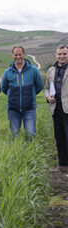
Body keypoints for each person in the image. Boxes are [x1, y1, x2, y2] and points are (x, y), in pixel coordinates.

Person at [1, 45, 44, 140]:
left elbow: (40, 85)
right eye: (15, 54)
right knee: (15, 136)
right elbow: (3, 88)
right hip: (13, 109)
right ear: (12, 55)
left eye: (20, 54)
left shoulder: (33, 70)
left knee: (30, 134)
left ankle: (30, 154)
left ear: (24, 54)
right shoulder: (8, 72)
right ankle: (18, 154)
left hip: (29, 109)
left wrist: (31, 94)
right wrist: (12, 96)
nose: (18, 57)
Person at [44, 45, 68, 173]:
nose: (62, 56)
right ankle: (62, 165)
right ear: (56, 55)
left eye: (64, 54)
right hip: (56, 108)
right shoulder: (51, 70)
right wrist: (48, 97)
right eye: (59, 54)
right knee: (59, 138)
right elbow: (46, 87)